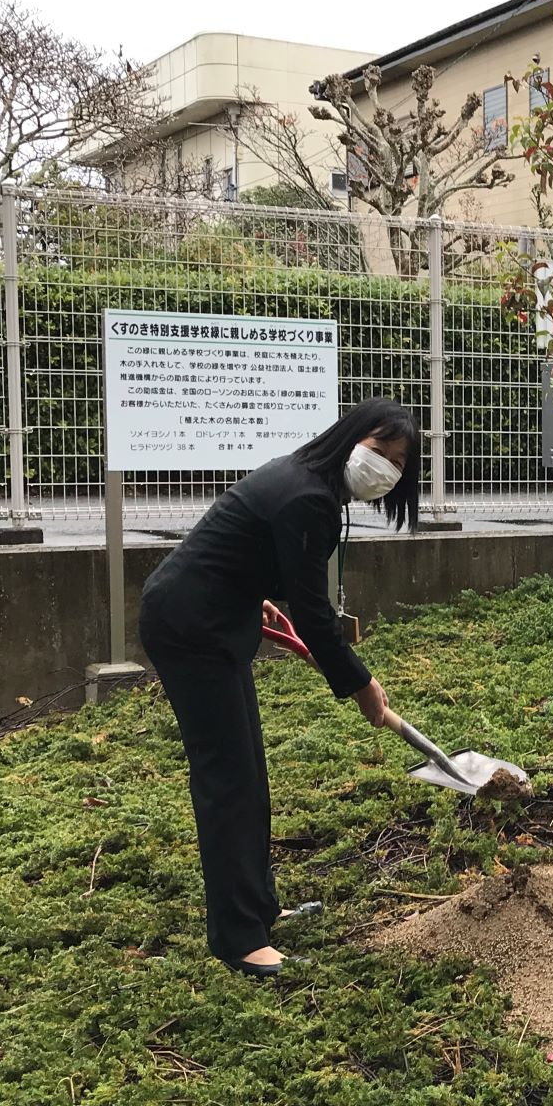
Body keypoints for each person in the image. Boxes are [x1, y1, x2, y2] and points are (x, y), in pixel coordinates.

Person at [139, 397, 420, 975]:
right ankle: (238, 938)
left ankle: (259, 908)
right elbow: (316, 614)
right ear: (350, 437)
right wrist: (361, 683)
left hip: (213, 616)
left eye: (396, 462)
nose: (385, 469)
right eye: (378, 451)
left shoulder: (306, 479)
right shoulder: (308, 498)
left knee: (248, 773)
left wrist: (251, 588)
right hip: (191, 629)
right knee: (228, 780)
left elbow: (244, 548)